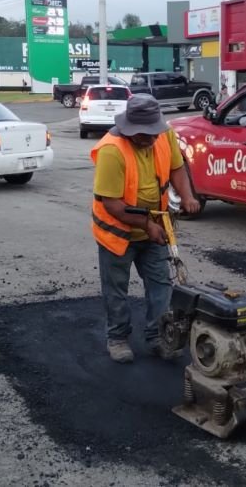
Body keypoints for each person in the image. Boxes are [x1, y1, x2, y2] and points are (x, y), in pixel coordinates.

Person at [91, 94, 200, 363]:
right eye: (145, 134)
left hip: (154, 226)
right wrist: (146, 225)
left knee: (160, 284)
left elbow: (177, 168)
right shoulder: (111, 150)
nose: (151, 138)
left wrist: (187, 196)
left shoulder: (164, 135)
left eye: (154, 132)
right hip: (117, 232)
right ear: (130, 129)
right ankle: (117, 338)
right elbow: (112, 204)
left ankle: (158, 336)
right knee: (116, 289)